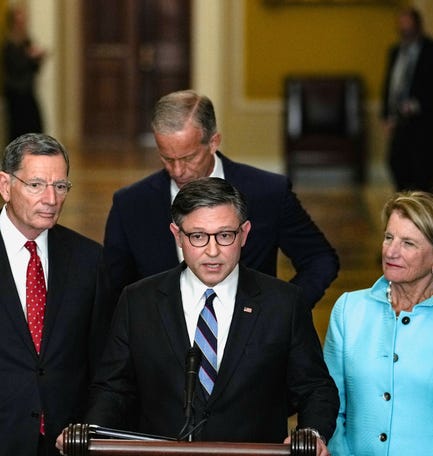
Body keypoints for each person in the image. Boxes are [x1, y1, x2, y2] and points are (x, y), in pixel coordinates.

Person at [58, 177, 339, 455]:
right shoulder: (138, 300)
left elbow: (315, 388)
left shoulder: (284, 303)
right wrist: (90, 436)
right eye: (198, 236)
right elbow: (113, 388)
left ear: (245, 233)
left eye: (225, 235)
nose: (213, 250)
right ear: (177, 235)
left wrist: (311, 434)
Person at [103, 90, 339, 310]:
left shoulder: (268, 192)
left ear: (214, 142)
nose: (177, 170)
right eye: (167, 158)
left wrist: (280, 313)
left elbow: (319, 259)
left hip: (250, 348)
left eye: (188, 158)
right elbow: (113, 291)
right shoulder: (131, 204)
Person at [0, 133, 109, 455]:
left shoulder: (90, 260)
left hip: (65, 443)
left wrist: (88, 428)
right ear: (6, 185)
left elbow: (104, 363)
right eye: (36, 185)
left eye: (60, 186)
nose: (51, 198)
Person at [324, 191, 433, 455]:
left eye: (408, 243)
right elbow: (329, 405)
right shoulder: (349, 309)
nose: (392, 251)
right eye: (388, 237)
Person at [380, 7, 433, 192]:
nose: (405, 31)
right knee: (397, 165)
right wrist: (387, 114)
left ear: (418, 26)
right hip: (400, 123)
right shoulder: (395, 51)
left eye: (408, 26)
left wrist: (415, 105)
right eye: (401, 27)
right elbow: (390, 84)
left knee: (425, 174)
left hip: (427, 124)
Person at [2, 4, 46, 143]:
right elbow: (15, 67)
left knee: (35, 126)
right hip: (15, 92)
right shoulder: (8, 44)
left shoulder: (26, 41)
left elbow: (34, 68)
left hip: (28, 91)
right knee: (17, 130)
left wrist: (38, 58)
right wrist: (30, 57)